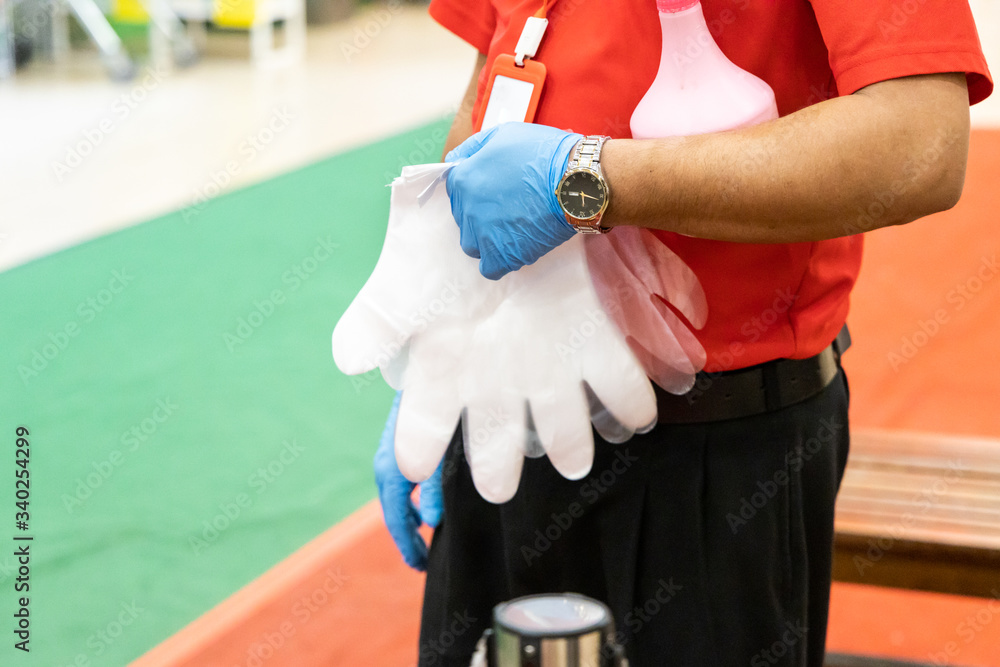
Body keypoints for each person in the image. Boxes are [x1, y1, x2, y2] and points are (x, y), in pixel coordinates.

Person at [373, 1, 993, 665]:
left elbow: (919, 141)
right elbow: (496, 76)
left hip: (707, 456)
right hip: (498, 404)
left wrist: (588, 179)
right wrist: (446, 342)